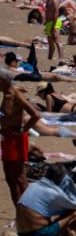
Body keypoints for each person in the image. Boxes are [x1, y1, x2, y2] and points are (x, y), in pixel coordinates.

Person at [1, 70, 41, 203]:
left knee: (20, 179)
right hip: (7, 139)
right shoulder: (6, 94)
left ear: (3, 80)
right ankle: (19, 213)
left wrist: (24, 130)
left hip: (16, 139)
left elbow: (35, 114)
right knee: (10, 178)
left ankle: (30, 212)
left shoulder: (15, 94)